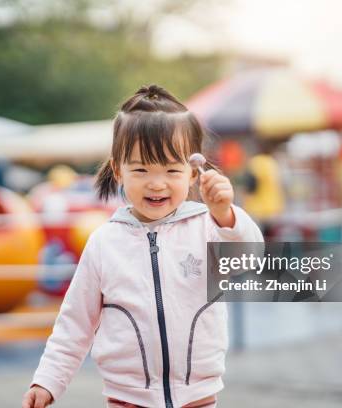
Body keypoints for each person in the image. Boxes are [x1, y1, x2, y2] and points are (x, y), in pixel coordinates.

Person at [22, 85, 263, 408]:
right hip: (128, 398)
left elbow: (250, 258)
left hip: (197, 396)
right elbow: (74, 323)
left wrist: (226, 215)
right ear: (118, 170)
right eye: (141, 169)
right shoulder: (105, 243)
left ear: (193, 173)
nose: (156, 182)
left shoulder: (209, 227)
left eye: (171, 170)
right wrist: (48, 381)